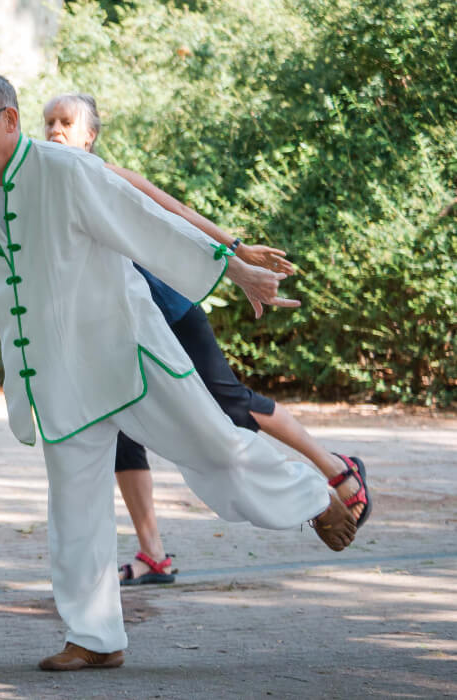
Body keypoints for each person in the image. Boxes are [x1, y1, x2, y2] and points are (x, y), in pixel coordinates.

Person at [0, 70, 370, 671]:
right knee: (75, 506)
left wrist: (235, 267)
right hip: (58, 377)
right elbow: (3, 286)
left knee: (215, 447)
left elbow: (148, 223)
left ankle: (313, 499)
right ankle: (95, 639)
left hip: (127, 353)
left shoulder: (69, 171)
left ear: (8, 119)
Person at [40, 93, 371, 585]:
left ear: (89, 136)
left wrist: (236, 251)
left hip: (167, 311)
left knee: (228, 402)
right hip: (112, 328)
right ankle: (154, 554)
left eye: (67, 122)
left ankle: (335, 466)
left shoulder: (104, 174)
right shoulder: (46, 187)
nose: (55, 131)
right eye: (48, 123)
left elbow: (174, 212)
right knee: (120, 430)